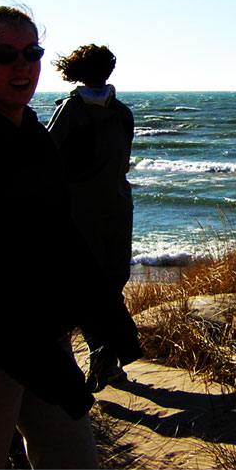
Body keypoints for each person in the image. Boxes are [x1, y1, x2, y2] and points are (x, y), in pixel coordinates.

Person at [0, 6, 141, 470]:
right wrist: (48, 368)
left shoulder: (34, 136)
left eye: (31, 52)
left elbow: (60, 240)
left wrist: (110, 321)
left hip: (44, 344)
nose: (22, 66)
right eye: (4, 54)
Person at [46, 44, 138, 383]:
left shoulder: (68, 111)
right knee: (112, 284)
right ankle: (108, 356)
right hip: (117, 206)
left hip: (78, 211)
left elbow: (47, 157)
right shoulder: (123, 113)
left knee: (82, 285)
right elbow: (123, 158)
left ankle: (101, 354)